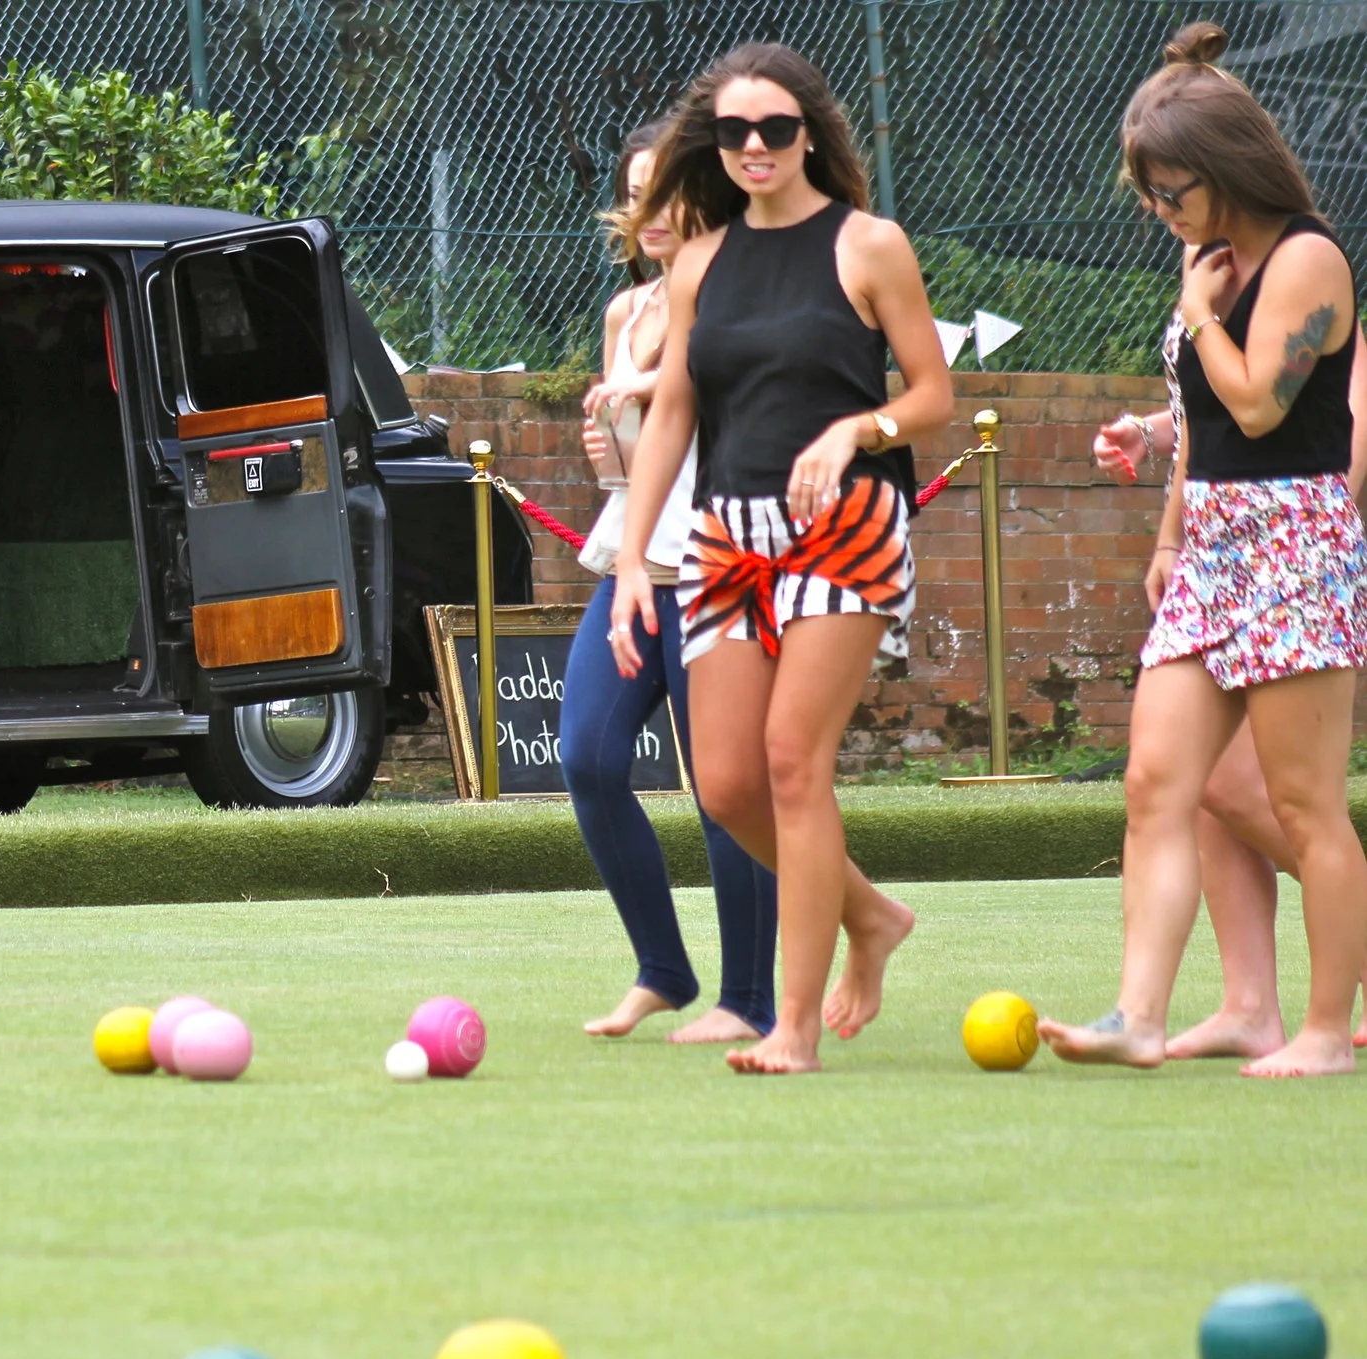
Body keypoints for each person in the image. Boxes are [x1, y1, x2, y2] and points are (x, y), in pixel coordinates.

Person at [610, 42, 955, 1074]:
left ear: (810, 133)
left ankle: (793, 1026)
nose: (753, 145)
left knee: (793, 761)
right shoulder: (699, 262)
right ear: (713, 142)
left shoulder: (868, 244)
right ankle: (869, 915)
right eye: (733, 130)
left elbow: (932, 395)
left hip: (845, 524)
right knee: (725, 784)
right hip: (727, 532)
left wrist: (856, 430)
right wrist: (631, 563)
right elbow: (674, 413)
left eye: (774, 128)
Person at [1041, 22, 1365, 1077]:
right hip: (1216, 547)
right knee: (1154, 780)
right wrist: (1170, 515)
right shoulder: (1205, 257)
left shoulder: (1307, 258)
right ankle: (1137, 1015)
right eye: (1148, 192)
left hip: (1293, 541)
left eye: (1169, 190)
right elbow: (1203, 416)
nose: (1158, 210)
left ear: (1224, 168)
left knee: (1305, 805)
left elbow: (1261, 406)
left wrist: (1200, 315)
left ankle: (1325, 1032)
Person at [1091, 316, 1367, 1059]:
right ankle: (1248, 1005)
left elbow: (1320, 421)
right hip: (1216, 555)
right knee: (1199, 788)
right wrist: (1152, 435)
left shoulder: (1300, 274)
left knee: (1259, 792)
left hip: (1289, 561)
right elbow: (1206, 407)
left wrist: (1297, 553)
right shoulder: (1211, 277)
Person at [569, 120, 780, 1045]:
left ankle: (750, 999)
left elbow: (725, 399)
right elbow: (643, 458)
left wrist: (651, 391)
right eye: (635, 193)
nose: (647, 211)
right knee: (588, 758)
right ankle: (662, 970)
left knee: (725, 790)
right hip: (636, 564)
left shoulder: (740, 296)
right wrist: (608, 460)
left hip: (718, 566)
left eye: (667, 191)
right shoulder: (628, 313)